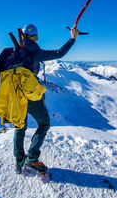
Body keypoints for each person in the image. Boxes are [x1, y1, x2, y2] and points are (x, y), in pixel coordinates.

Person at [14, 23, 79, 174]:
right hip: (31, 94)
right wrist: (73, 38)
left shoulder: (14, 50)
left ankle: (18, 162)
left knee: (19, 127)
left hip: (16, 95)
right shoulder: (36, 52)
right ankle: (32, 158)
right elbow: (59, 53)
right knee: (44, 123)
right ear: (35, 37)